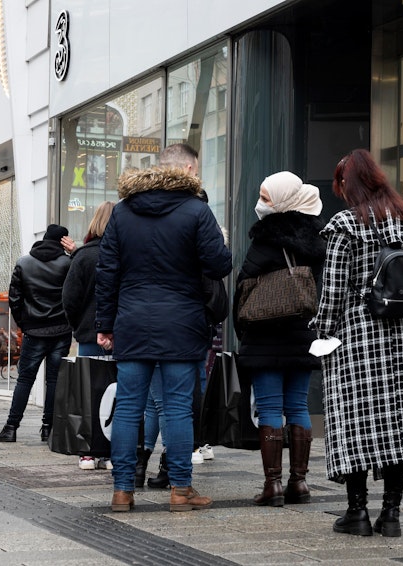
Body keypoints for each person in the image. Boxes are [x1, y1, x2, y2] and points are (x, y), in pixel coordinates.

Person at [96, 142, 233, 513]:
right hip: (182, 321)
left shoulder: (122, 213)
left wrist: (104, 324)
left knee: (128, 407)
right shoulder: (196, 211)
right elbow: (219, 265)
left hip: (133, 321)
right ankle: (180, 489)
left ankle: (122, 490)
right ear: (188, 170)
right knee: (176, 408)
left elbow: (106, 272)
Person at [311, 148, 403, 537]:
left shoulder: (345, 225)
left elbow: (333, 291)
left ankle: (358, 512)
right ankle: (392, 514)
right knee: (400, 421)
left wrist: (324, 332)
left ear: (349, 185)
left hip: (356, 336)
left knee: (356, 421)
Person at [235, 171, 325, 507]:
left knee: (271, 406)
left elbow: (244, 285)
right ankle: (299, 483)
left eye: (267, 197)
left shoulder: (265, 239)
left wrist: (242, 332)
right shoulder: (318, 238)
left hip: (264, 334)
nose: (262, 203)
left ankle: (272, 485)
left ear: (283, 198)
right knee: (298, 405)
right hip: (303, 334)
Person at [0, 224, 74, 443]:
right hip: (61, 330)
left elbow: (15, 299)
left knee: (25, 380)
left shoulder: (24, 262)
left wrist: (24, 324)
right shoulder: (68, 263)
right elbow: (74, 295)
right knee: (54, 380)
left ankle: (11, 427)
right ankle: (49, 428)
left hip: (34, 330)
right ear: (62, 241)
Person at [62, 201, 115, 468]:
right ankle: (110, 452)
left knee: (88, 393)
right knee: (117, 393)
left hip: (88, 334)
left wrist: (79, 326)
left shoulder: (83, 256)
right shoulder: (124, 255)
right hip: (119, 334)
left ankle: (87, 452)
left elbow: (69, 298)